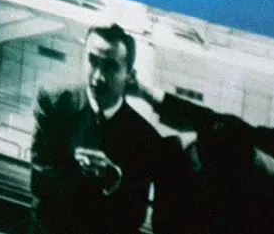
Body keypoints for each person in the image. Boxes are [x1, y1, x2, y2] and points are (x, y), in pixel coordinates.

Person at [31, 24, 174, 234]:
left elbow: (133, 218)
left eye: (110, 66)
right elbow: (41, 184)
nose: (98, 77)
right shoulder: (53, 104)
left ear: (129, 75)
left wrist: (114, 183)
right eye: (92, 61)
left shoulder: (146, 140)